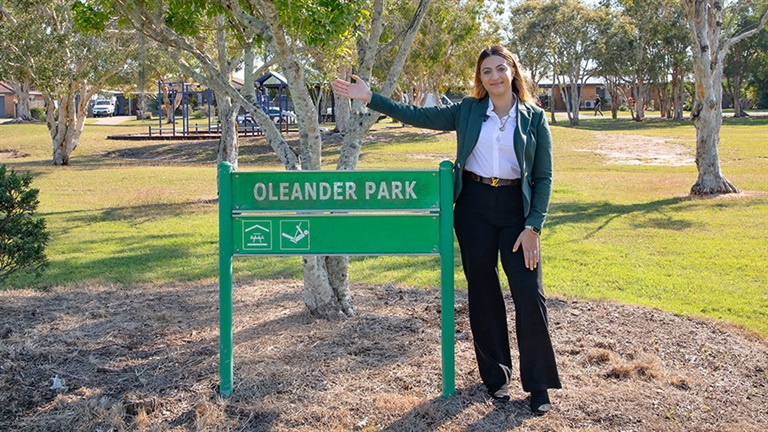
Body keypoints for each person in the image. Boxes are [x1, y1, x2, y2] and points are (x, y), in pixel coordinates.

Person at [332, 45, 561, 415]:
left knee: (529, 295)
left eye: (501, 69)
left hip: (518, 212)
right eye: (487, 71)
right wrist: (370, 97)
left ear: (514, 72)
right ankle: (497, 378)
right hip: (473, 207)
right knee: (483, 292)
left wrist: (534, 225)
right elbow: (419, 114)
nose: (495, 77)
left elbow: (543, 176)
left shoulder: (534, 118)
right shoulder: (469, 111)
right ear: (480, 78)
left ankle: (538, 386)